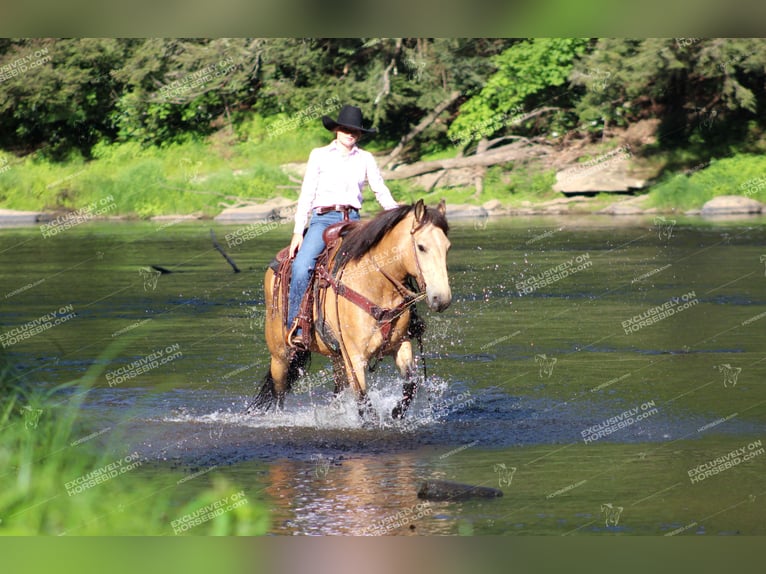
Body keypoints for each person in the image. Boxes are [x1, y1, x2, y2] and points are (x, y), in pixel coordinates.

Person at [286, 104, 399, 348]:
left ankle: (396, 322)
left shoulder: (366, 158)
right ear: (337, 129)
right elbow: (306, 193)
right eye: (346, 129)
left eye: (356, 131)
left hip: (354, 221)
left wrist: (398, 215)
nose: (351, 133)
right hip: (323, 219)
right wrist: (298, 230)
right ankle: (297, 323)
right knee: (302, 266)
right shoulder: (319, 155)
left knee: (385, 261)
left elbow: (380, 190)